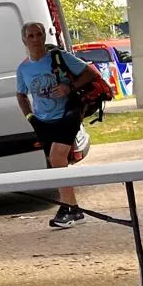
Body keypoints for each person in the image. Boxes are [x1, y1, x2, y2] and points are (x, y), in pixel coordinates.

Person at [15, 21, 100, 228]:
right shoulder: (23, 68)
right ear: (24, 40)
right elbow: (21, 94)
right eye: (31, 36)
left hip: (68, 113)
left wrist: (69, 87)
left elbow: (92, 73)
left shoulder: (58, 57)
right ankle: (73, 208)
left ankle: (67, 208)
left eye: (39, 34)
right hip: (44, 120)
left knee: (57, 157)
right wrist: (30, 117)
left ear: (45, 36)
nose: (36, 39)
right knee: (56, 163)